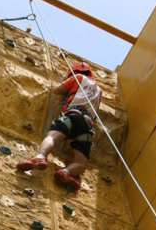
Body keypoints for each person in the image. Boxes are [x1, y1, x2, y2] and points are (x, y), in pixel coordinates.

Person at [15, 62, 102, 191]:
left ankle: (40, 157)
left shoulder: (77, 77)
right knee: (81, 163)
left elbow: (57, 90)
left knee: (52, 137)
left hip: (72, 115)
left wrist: (68, 84)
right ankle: (66, 172)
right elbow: (96, 112)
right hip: (86, 125)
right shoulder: (99, 91)